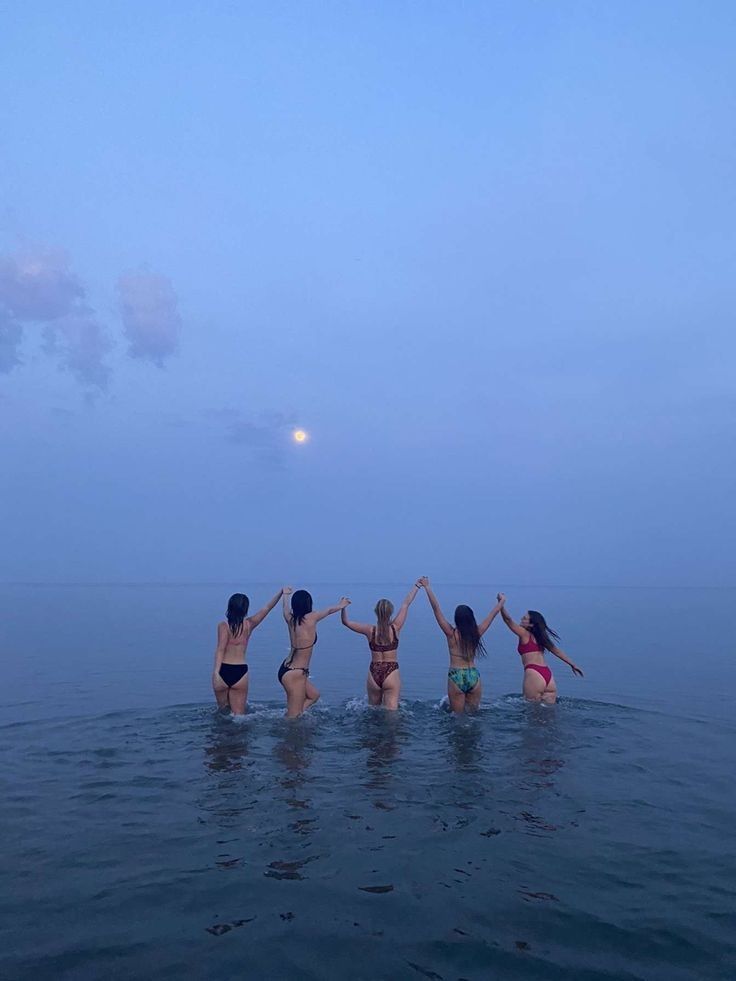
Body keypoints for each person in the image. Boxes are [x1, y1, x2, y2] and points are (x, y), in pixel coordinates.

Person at [419, 577, 503, 713]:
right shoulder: (477, 633)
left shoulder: (451, 633)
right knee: (473, 717)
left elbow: (436, 609)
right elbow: (492, 615)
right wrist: (502, 601)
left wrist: (427, 587)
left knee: (458, 719)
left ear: (456, 619)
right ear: (471, 618)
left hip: (456, 675)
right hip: (473, 676)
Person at [340, 581, 422, 710]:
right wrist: (417, 586)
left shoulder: (369, 630)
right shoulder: (396, 628)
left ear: (375, 612)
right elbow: (406, 604)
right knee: (391, 716)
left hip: (374, 672)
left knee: (373, 713)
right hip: (391, 671)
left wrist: (343, 606)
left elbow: (346, 622)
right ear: (391, 612)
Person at [497, 593, 583, 703]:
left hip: (534, 674)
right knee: (549, 716)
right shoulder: (542, 639)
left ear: (531, 625)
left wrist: (501, 603)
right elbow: (556, 651)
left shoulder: (524, 634)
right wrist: (573, 665)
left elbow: (508, 620)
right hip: (548, 676)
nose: (521, 619)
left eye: (524, 618)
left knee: (532, 714)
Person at [279, 587, 350, 718]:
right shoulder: (311, 618)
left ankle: (294, 712)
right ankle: (292, 718)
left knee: (314, 695)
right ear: (308, 604)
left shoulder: (290, 619)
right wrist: (342, 605)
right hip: (295, 673)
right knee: (293, 719)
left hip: (287, 669)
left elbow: (285, 608)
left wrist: (285, 595)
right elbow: (328, 610)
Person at [212, 588, 285, 715]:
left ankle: (222, 734)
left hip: (223, 670)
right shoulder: (249, 624)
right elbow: (267, 608)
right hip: (240, 672)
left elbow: (220, 650)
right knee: (239, 717)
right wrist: (281, 593)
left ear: (230, 607)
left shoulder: (223, 626)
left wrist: (216, 674)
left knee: (222, 713)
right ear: (245, 609)